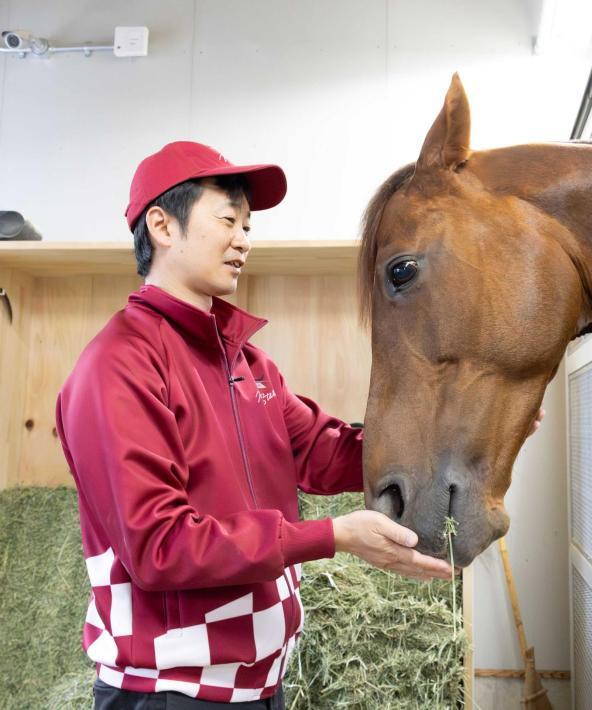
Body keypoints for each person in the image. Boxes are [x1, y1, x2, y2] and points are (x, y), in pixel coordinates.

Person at [56, 141, 536, 709]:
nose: (243, 241)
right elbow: (160, 547)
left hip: (260, 686)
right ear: (162, 225)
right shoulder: (119, 364)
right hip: (170, 692)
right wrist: (330, 537)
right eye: (228, 221)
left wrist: (472, 426)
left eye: (248, 227)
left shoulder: (246, 363)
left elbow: (328, 453)